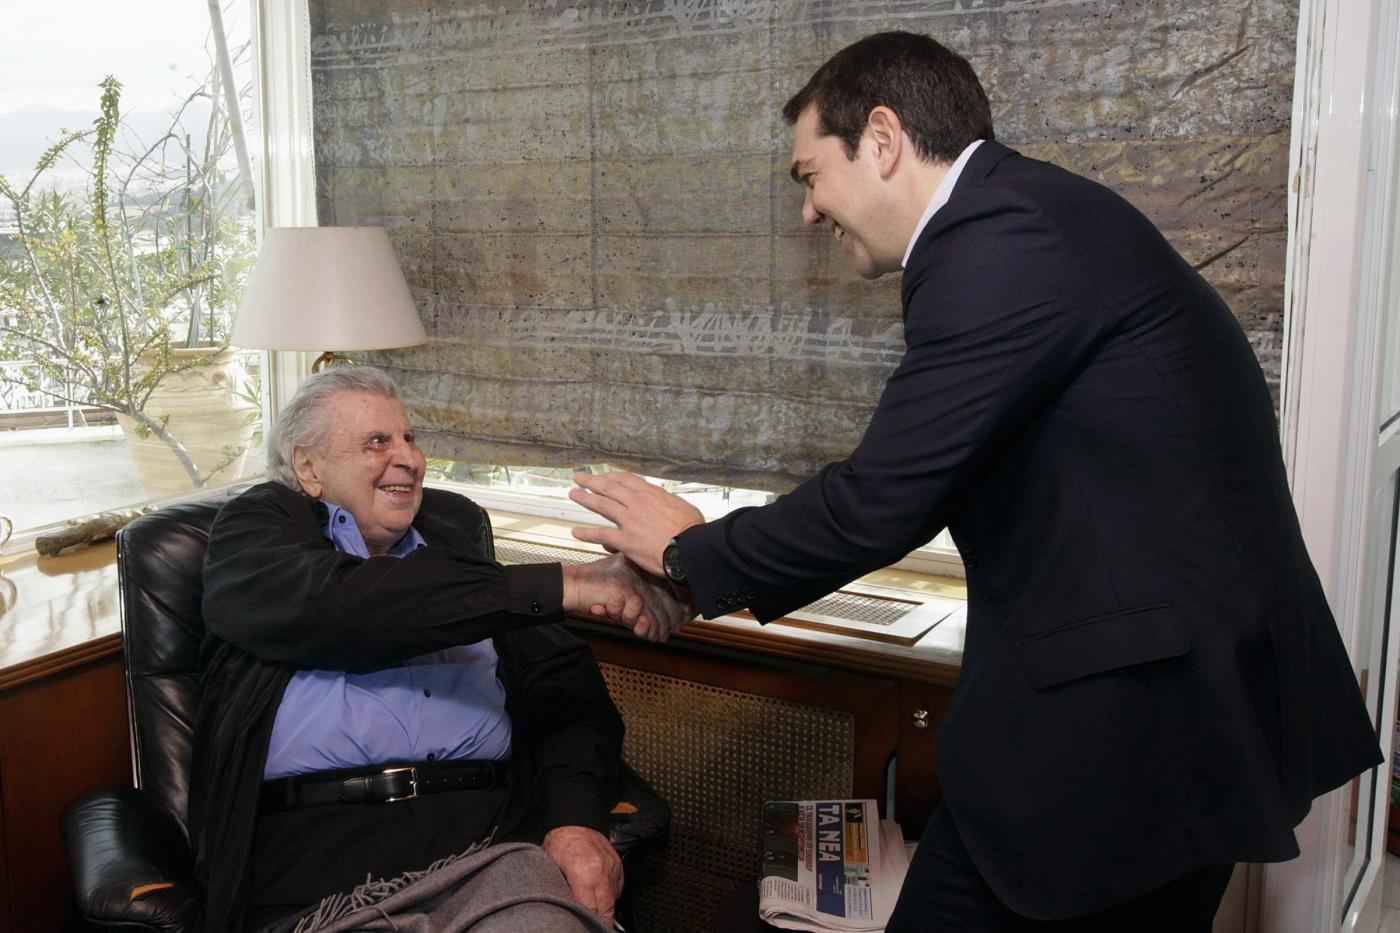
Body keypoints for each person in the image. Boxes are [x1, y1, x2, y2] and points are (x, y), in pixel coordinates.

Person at [569, 30, 1382, 931]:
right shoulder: (1025, 219)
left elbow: (883, 498)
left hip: (1134, 727)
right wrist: (696, 576)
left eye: (810, 175)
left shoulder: (1000, 238)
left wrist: (687, 552)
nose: (807, 211)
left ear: (883, 139)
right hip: (1169, 710)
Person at [188, 366, 689, 932]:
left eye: (410, 438)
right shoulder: (255, 533)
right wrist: (569, 584)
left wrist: (574, 821)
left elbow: (567, 689)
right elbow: (347, 608)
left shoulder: (453, 550)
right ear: (309, 468)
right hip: (319, 872)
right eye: (376, 442)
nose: (408, 458)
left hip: (488, 850)